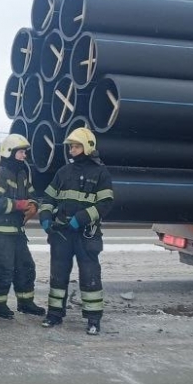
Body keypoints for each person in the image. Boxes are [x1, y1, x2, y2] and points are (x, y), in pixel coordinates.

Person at [38, 127, 114, 335]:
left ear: (88, 147)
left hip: (86, 235)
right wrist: (45, 217)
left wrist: (80, 219)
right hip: (62, 234)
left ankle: (93, 319)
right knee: (58, 276)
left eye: (76, 146)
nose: (72, 150)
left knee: (90, 276)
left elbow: (105, 204)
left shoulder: (100, 173)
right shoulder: (63, 172)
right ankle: (54, 314)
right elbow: (48, 198)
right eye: (71, 146)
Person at [0, 133, 46, 319]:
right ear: (9, 152)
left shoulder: (22, 173)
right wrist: (19, 205)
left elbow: (32, 194)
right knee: (4, 269)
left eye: (25, 152)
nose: (24, 155)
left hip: (16, 232)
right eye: (21, 152)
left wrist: (33, 205)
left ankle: (26, 303)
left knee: (26, 266)